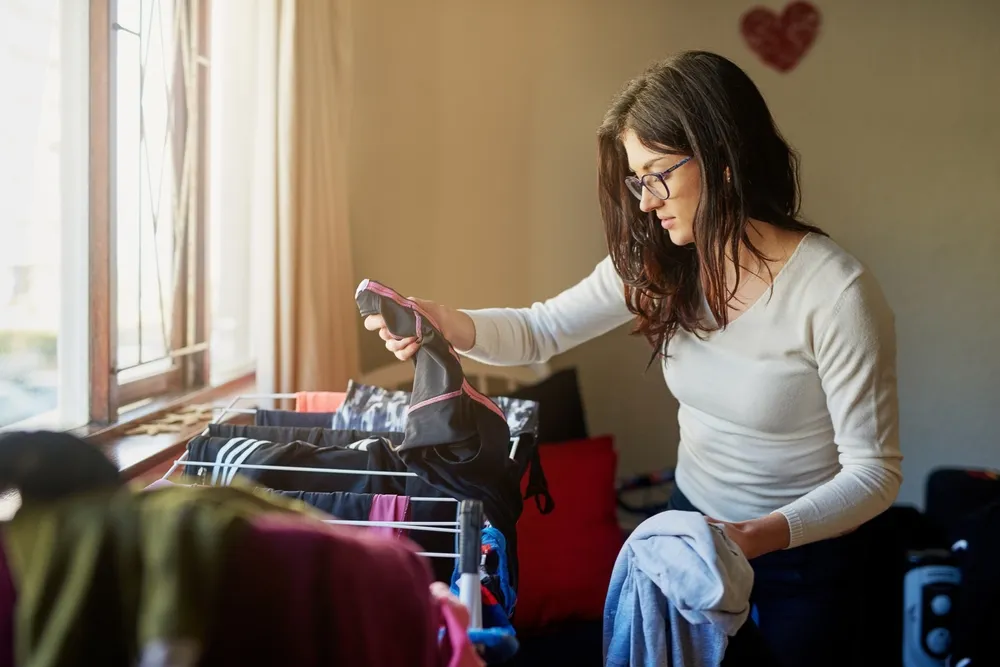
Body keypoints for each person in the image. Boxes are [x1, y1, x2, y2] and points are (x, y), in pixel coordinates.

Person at [364, 50, 902, 666]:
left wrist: (752, 538)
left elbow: (873, 475)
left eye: (657, 174)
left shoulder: (836, 295)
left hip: (807, 559)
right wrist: (446, 322)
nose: (645, 201)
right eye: (636, 180)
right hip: (692, 533)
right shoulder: (663, 265)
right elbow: (541, 329)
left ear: (721, 156)